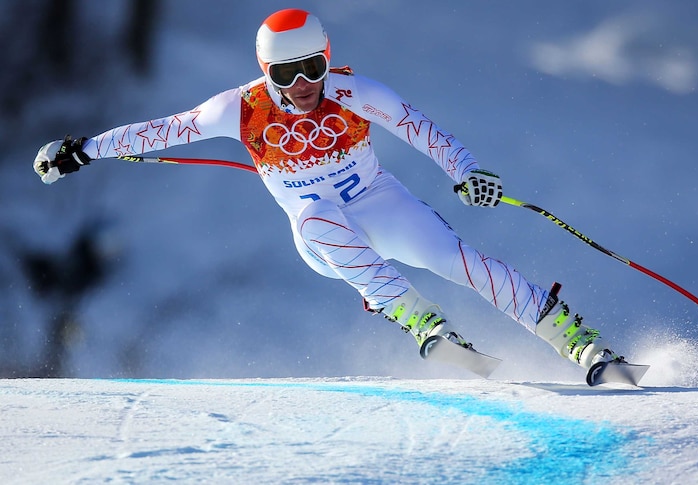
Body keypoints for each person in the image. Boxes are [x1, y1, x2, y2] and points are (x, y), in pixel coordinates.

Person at [33, 8, 621, 377]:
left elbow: (424, 131)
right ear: (267, 75)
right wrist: (81, 149)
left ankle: (582, 345)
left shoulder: (355, 91)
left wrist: (466, 171)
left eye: (311, 67)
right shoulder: (238, 110)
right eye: (285, 75)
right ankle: (425, 326)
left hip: (378, 205)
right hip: (321, 235)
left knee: (461, 261)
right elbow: (161, 131)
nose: (303, 85)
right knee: (315, 214)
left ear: (327, 59)